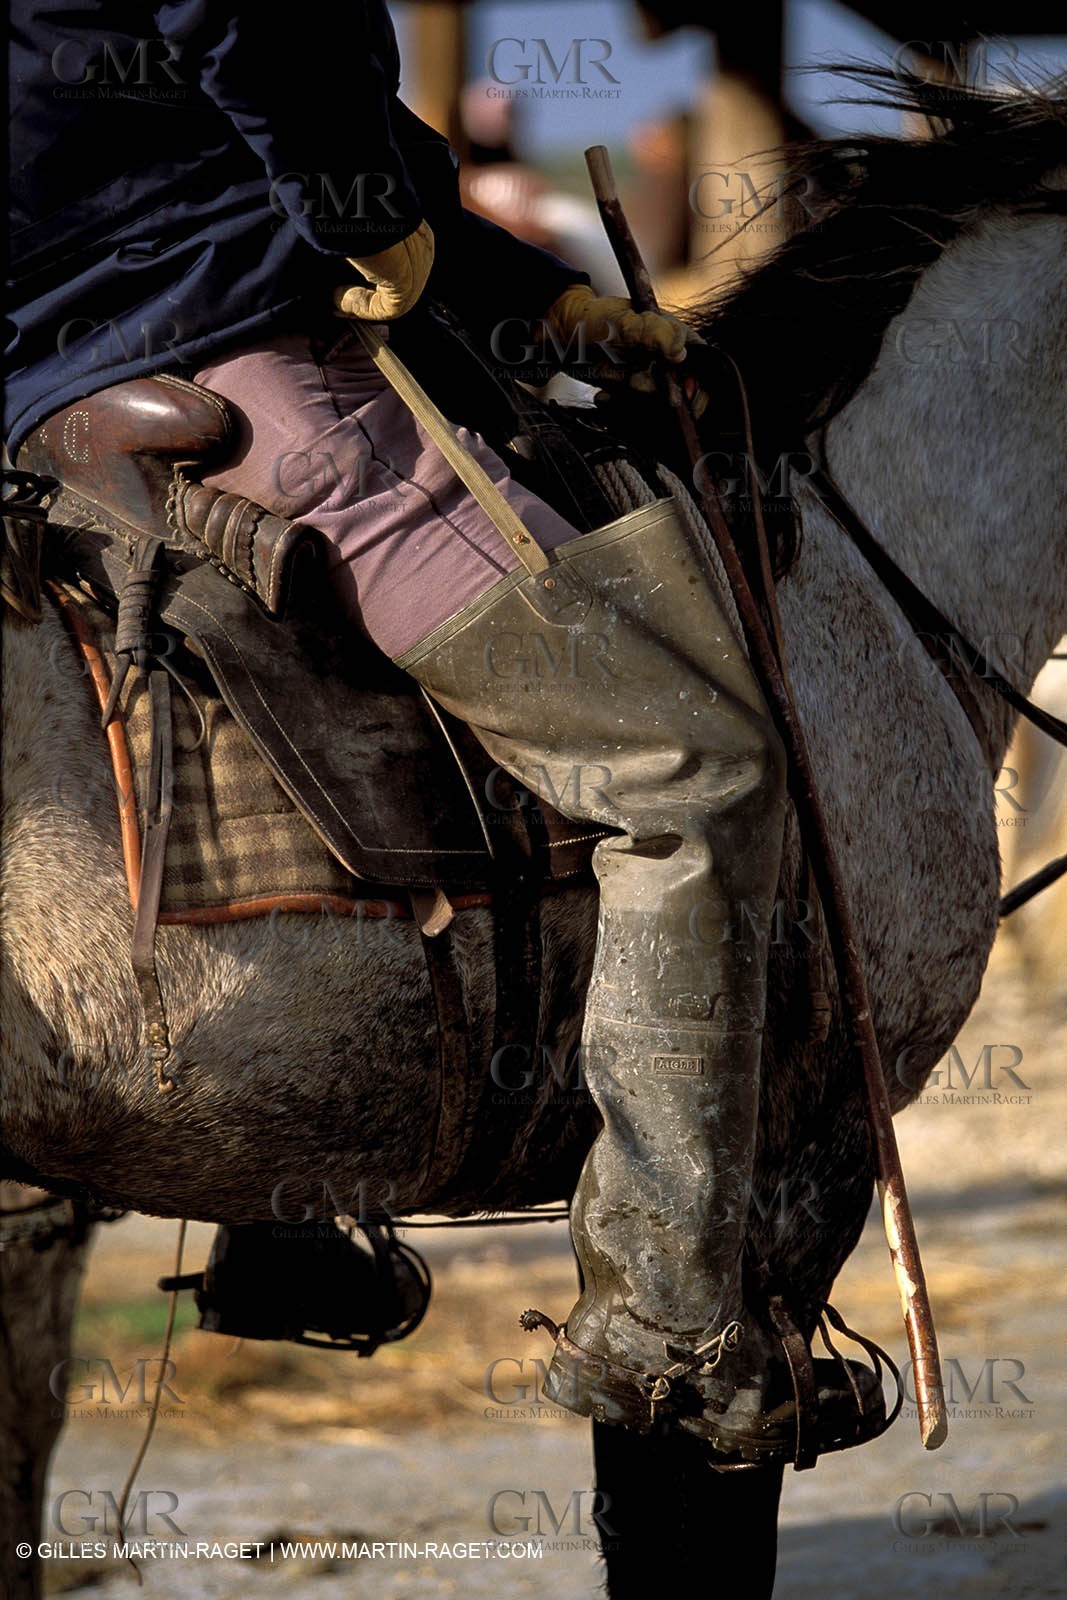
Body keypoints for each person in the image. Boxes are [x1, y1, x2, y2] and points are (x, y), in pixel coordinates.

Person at [8, 0, 875, 1457]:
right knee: (696, 767)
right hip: (228, 330)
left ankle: (297, 1194)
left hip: (65, 346)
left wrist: (537, 296)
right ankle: (667, 1315)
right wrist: (368, 218)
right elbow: (249, 33)